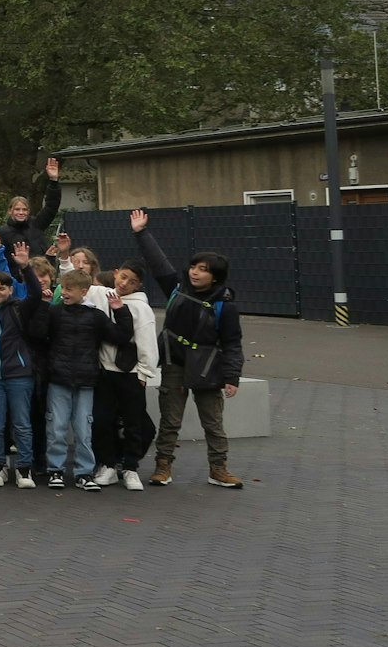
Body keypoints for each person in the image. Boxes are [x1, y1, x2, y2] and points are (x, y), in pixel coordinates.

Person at [131, 209, 244, 489]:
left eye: (203, 270)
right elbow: (158, 263)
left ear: (215, 277)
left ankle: (219, 469)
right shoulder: (177, 288)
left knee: (213, 422)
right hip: (174, 360)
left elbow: (232, 343)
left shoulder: (225, 306)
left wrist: (232, 377)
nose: (195, 272)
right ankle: (162, 467)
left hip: (207, 366)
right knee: (170, 419)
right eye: (194, 267)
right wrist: (141, 233)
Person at [28, 269, 133, 491]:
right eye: (63, 288)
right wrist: (44, 306)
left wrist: (120, 311)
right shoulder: (55, 312)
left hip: (86, 380)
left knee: (84, 429)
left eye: (68, 289)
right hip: (58, 378)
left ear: (83, 291)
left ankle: (84, 472)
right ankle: (55, 470)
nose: (63, 292)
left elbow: (121, 337)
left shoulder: (95, 316)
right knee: (56, 427)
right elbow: (37, 333)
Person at [0, 247, 46, 489]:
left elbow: (34, 293)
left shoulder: (18, 308)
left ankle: (24, 468)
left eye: (1, 288)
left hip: (19, 375)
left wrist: (25, 267)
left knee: (22, 423)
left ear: (10, 290)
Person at [92, 259, 160, 491]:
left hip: (130, 374)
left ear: (138, 285)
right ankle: (108, 465)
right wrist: (63, 259)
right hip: (105, 371)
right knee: (103, 420)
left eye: (132, 282)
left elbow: (147, 342)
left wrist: (144, 372)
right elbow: (80, 283)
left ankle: (130, 467)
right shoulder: (103, 295)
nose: (125, 284)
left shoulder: (141, 308)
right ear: (115, 273)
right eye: (123, 277)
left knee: (133, 422)